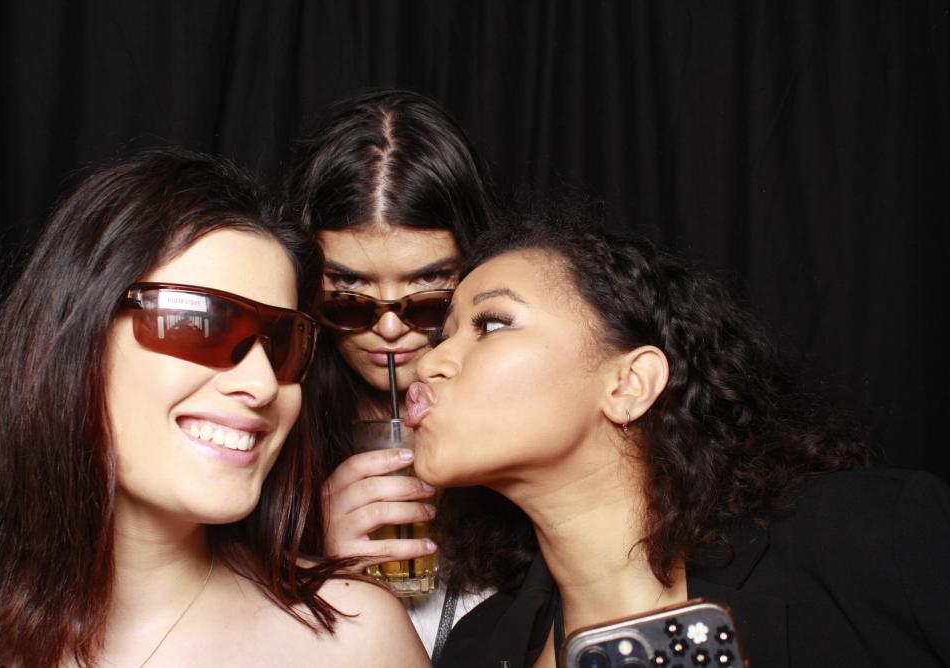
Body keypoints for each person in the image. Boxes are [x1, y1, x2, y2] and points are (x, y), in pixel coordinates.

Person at [404, 211, 950, 668]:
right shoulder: (475, 650)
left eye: (491, 324)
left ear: (629, 384)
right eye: (441, 336)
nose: (428, 362)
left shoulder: (876, 541)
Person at [0, 147, 427, 667]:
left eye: (285, 343)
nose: (262, 384)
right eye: (200, 324)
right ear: (74, 337)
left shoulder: (356, 639)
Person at [284, 88, 501, 659]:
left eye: (427, 294)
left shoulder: (528, 424)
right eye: (350, 297)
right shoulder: (269, 437)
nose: (387, 328)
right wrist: (319, 573)